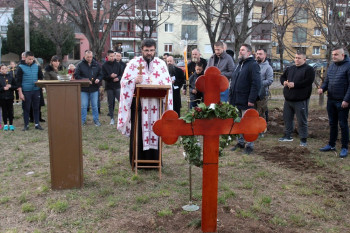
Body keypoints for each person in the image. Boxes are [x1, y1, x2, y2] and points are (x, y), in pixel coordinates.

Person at [117, 38, 173, 167]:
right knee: (138, 132)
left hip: (156, 104)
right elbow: (124, 82)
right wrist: (133, 80)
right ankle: (136, 161)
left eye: (152, 50)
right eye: (146, 50)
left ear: (155, 50)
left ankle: (155, 162)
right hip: (139, 105)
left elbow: (167, 83)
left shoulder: (161, 64)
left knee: (156, 130)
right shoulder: (133, 63)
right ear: (141, 50)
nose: (149, 53)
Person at [318, 47, 350, 158]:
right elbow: (327, 80)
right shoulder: (332, 66)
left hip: (342, 101)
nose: (333, 57)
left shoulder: (348, 66)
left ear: (343, 55)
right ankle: (331, 144)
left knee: (343, 124)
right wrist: (322, 88)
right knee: (332, 123)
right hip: (331, 99)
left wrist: (346, 99)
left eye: (336, 54)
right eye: (333, 55)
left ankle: (344, 147)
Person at [229, 44, 261, 154]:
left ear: (249, 52)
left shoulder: (253, 65)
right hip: (236, 99)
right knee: (238, 122)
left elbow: (256, 83)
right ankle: (240, 142)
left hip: (246, 99)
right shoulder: (239, 64)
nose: (240, 52)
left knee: (248, 123)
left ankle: (249, 145)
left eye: (243, 50)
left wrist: (251, 99)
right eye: (240, 50)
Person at [279, 51, 315, 147]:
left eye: (299, 58)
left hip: (301, 99)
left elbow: (308, 81)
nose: (296, 60)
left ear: (304, 59)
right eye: (295, 57)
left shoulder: (309, 69)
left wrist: (295, 84)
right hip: (288, 99)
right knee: (287, 118)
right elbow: (282, 77)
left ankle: (303, 139)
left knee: (302, 120)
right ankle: (288, 135)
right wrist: (284, 83)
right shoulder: (290, 68)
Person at [17, 51, 44, 131]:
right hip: (26, 91)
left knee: (36, 108)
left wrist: (40, 87)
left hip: (36, 90)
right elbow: (18, 81)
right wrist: (20, 93)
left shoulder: (37, 67)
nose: (31, 61)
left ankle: (37, 124)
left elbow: (40, 78)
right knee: (26, 108)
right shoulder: (20, 67)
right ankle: (26, 125)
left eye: (32, 59)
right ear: (25, 58)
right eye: (29, 59)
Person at [74, 50, 103, 126]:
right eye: (88, 57)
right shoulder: (80, 65)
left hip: (94, 88)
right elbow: (76, 75)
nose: (89, 58)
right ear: (84, 56)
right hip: (84, 89)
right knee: (83, 106)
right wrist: (85, 80)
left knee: (95, 106)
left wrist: (98, 79)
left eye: (91, 57)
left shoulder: (96, 64)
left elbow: (101, 74)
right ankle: (82, 121)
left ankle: (96, 120)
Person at [102, 50, 122, 125]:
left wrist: (118, 78)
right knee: (110, 103)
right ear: (107, 56)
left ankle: (121, 117)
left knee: (121, 101)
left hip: (117, 86)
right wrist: (110, 76)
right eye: (111, 56)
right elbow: (103, 77)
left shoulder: (118, 64)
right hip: (109, 86)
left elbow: (121, 74)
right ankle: (112, 118)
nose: (112, 57)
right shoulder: (104, 65)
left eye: (113, 56)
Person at [255, 49, 273, 122]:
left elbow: (270, 80)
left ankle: (262, 130)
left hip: (262, 95)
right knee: (253, 113)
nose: (258, 56)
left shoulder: (268, 67)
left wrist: (258, 83)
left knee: (261, 113)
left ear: (265, 55)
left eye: (260, 54)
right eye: (257, 54)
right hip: (252, 94)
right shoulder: (253, 65)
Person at [0, 64, 17, 131]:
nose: (4, 70)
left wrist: (10, 87)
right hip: (2, 97)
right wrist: (3, 88)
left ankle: (11, 124)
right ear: (0, 70)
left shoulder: (10, 77)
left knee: (10, 111)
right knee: (4, 111)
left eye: (5, 68)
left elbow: (15, 86)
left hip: (10, 96)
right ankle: (5, 125)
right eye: (2, 69)